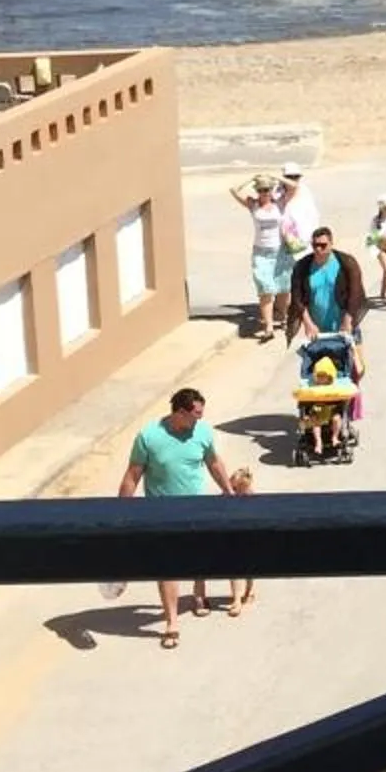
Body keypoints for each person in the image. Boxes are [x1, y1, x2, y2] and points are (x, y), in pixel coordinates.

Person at [118, 386, 238, 650]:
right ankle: (172, 622)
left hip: (197, 509)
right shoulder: (149, 436)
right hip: (162, 514)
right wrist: (121, 511)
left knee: (198, 555)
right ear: (180, 412)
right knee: (168, 566)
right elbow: (133, 475)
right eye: (196, 414)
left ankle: (199, 594)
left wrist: (229, 491)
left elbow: (213, 462)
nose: (200, 419)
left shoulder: (202, 432)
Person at [232, 173, 294, 340]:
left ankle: (285, 316)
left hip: (280, 251)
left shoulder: (279, 203)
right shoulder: (253, 205)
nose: (264, 193)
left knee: (283, 289)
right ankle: (269, 326)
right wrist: (251, 178)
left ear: (271, 190)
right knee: (264, 288)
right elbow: (233, 190)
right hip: (261, 253)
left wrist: (275, 176)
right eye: (260, 190)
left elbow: (294, 187)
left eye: (267, 189)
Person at [193, 463, 258, 617]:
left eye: (236, 489)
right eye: (230, 487)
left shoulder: (250, 501)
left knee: (245, 567)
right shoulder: (223, 497)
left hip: (243, 539)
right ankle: (202, 598)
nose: (231, 491)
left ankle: (242, 595)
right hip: (224, 537)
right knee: (205, 565)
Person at [287, 225, 367, 350]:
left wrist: (347, 320)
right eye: (315, 245)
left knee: (355, 360)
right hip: (317, 328)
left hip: (345, 323)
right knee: (318, 361)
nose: (318, 249)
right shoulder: (302, 266)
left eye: (323, 245)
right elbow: (297, 298)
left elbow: (355, 293)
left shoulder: (347, 263)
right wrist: (308, 324)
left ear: (331, 244)